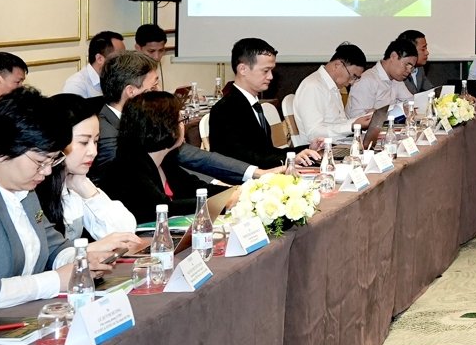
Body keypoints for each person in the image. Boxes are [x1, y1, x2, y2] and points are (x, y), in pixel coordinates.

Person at [0, 87, 142, 325]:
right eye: (40, 162)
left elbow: (53, 247)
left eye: (52, 160)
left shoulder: (23, 187)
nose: (47, 171)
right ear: (1, 152)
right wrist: (54, 281)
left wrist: (81, 261)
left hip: (17, 319)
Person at [91, 51, 253, 185]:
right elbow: (137, 177)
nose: (159, 91)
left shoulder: (143, 120)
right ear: (131, 91)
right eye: (153, 86)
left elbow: (190, 155)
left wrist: (253, 172)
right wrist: (215, 185)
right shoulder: (105, 132)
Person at [95, 89, 209, 221]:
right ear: (166, 127)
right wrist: (211, 203)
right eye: (180, 120)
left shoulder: (165, 161)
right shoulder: (128, 169)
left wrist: (227, 194)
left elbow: (196, 187)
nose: (183, 126)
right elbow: (162, 208)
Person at [207, 37, 320, 170]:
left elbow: (266, 152)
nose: (271, 76)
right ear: (243, 69)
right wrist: (290, 159)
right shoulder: (226, 109)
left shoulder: (252, 104)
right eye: (265, 71)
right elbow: (242, 158)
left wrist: (307, 149)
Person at [40, 93, 138, 240]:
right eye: (84, 142)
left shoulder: (75, 181)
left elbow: (125, 231)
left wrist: (85, 187)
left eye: (96, 141)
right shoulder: (33, 190)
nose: (93, 152)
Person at [291, 42, 372, 143]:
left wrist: (362, 119)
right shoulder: (313, 86)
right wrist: (352, 126)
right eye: (353, 76)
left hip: (336, 144)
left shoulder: (332, 86)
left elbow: (338, 124)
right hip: (320, 149)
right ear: (337, 65)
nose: (352, 82)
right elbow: (314, 134)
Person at [347, 37, 418, 120]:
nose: (409, 71)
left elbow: (411, 103)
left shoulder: (397, 79)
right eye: (407, 65)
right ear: (393, 56)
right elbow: (358, 118)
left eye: (411, 68)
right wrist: (392, 112)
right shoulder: (366, 80)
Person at [61, 30, 125, 99]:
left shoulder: (119, 79)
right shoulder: (76, 85)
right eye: (120, 58)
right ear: (99, 59)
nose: (124, 62)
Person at [396, 30, 434, 94]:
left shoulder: (420, 68)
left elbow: (431, 90)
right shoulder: (397, 73)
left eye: (426, 48)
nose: (427, 53)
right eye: (423, 49)